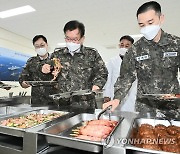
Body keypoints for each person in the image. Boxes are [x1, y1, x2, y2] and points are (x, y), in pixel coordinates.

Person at [103, 1, 180, 114]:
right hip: (145, 107)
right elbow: (125, 78)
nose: (146, 28)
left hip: (172, 107)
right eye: (142, 25)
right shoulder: (135, 50)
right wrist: (116, 98)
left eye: (150, 22)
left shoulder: (176, 44)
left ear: (161, 18)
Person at [41, 20, 108, 111]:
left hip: (86, 104)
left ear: (82, 38)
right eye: (68, 39)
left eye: (75, 39)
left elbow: (102, 73)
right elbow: (49, 75)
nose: (71, 42)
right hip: (62, 105)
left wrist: (97, 86)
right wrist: (44, 69)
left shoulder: (91, 54)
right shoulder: (57, 55)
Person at [19, 35, 58, 105]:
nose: (40, 48)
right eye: (37, 46)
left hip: (53, 100)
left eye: (42, 45)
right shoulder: (31, 61)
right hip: (37, 101)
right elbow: (22, 78)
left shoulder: (55, 60)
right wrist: (24, 83)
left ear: (47, 45)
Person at [103, 35, 135, 103]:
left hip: (131, 94)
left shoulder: (135, 61)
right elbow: (108, 78)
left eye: (127, 46)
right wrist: (107, 94)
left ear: (131, 47)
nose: (123, 47)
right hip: (115, 93)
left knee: (130, 112)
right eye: (122, 45)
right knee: (116, 112)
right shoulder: (112, 61)